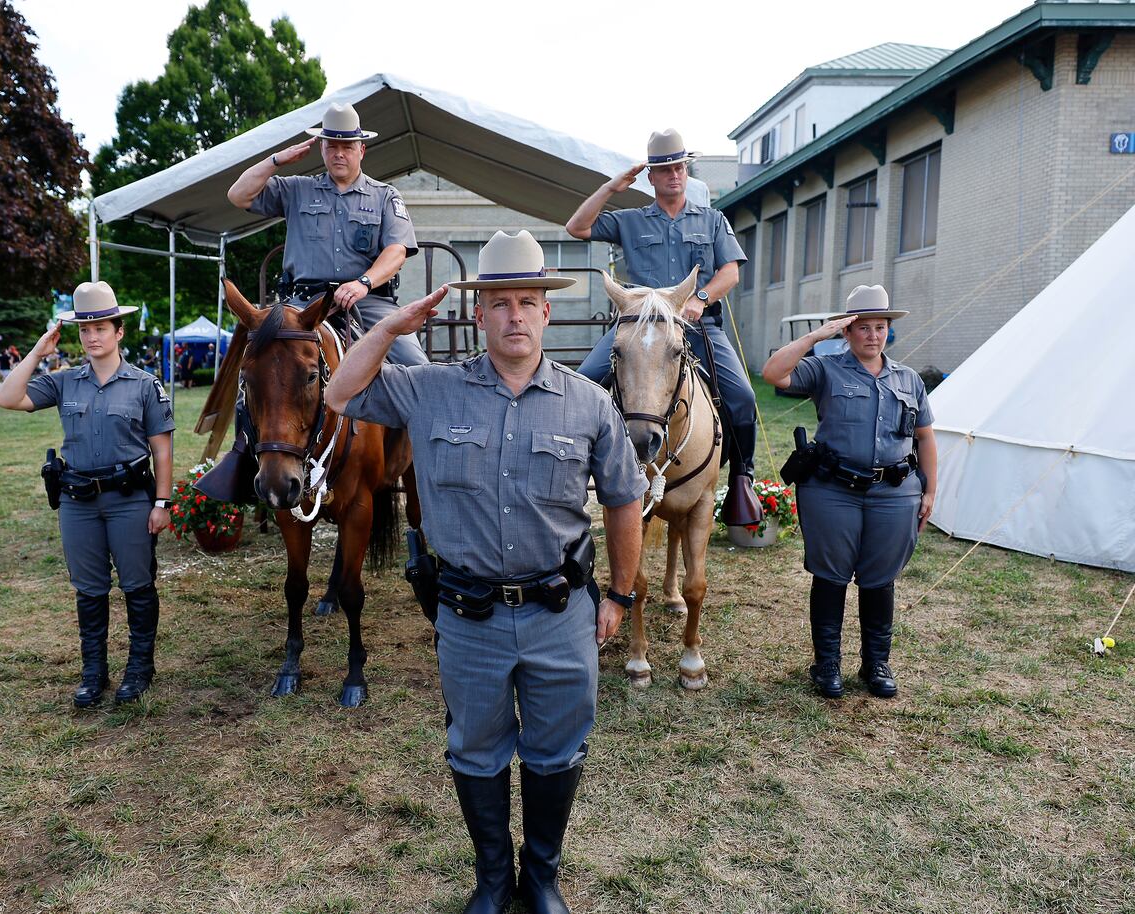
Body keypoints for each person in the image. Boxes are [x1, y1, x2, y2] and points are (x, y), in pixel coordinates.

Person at [328, 231, 647, 914]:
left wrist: (618, 593)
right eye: (499, 303)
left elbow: (625, 498)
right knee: (475, 749)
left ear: (546, 313)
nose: (514, 316)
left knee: (556, 748)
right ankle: (493, 879)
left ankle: (542, 878)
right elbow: (338, 392)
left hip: (559, 612)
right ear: (479, 315)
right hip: (468, 616)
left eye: (527, 302)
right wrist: (389, 326)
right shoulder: (428, 391)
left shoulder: (587, 404)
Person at [566, 129, 760, 525]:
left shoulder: (712, 220)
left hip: (696, 326)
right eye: (666, 169)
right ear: (650, 177)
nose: (675, 174)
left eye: (680, 167)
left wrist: (700, 299)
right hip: (640, 327)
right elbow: (577, 227)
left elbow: (731, 272)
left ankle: (742, 477)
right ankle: (578, 471)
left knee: (742, 397)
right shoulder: (629, 220)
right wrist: (610, 187)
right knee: (584, 383)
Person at [0, 281, 176, 708]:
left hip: (130, 499)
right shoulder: (62, 383)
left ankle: (139, 669)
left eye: (101, 327)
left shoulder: (144, 385)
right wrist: (39, 351)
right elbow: (8, 398)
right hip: (78, 503)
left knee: (137, 584)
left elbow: (162, 450)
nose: (92, 337)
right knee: (90, 590)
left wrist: (162, 503)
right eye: (85, 330)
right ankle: (94, 672)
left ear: (119, 332)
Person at [762, 285, 937, 700]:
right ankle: (826, 665)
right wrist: (815, 337)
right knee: (831, 575)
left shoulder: (908, 379)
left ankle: (876, 663)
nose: (873, 335)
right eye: (863, 328)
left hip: (894, 492)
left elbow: (925, 438)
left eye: (881, 327)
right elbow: (774, 373)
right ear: (848, 331)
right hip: (832, 491)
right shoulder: (825, 369)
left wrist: (930, 490)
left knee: (880, 579)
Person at [226, 102, 428, 367]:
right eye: (331, 145)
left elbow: (397, 251)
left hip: (366, 302)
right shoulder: (297, 189)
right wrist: (275, 161)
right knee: (257, 362)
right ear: (321, 148)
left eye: (347, 147)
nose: (339, 154)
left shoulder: (385, 196)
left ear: (362, 150)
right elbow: (238, 195)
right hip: (303, 303)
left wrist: (363, 283)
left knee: (414, 364)